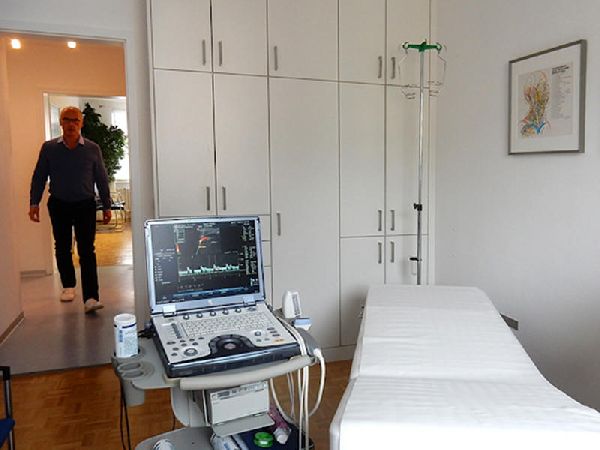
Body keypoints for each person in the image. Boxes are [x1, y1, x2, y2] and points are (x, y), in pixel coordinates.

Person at [29, 106, 112, 314]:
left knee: (87, 250)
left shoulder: (92, 149)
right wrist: (34, 202)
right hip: (59, 204)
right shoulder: (49, 148)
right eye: (67, 119)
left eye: (75, 120)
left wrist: (107, 205)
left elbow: (101, 178)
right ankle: (68, 285)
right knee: (62, 247)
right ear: (61, 122)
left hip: (85, 205)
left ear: (81, 123)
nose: (71, 124)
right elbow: (39, 176)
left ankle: (91, 297)